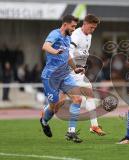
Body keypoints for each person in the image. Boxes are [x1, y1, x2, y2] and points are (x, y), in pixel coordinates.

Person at [39, 15, 84, 143]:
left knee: (78, 98)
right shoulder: (55, 33)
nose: (74, 29)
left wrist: (75, 68)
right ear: (65, 25)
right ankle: (44, 120)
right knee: (55, 107)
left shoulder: (68, 37)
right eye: (73, 26)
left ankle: (71, 132)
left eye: (75, 26)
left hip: (65, 75)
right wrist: (55, 51)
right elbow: (45, 46)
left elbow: (67, 55)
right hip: (51, 77)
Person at [60, 14, 106, 136]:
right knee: (58, 102)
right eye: (91, 27)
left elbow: (83, 53)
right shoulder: (76, 35)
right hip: (69, 72)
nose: (93, 30)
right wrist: (75, 66)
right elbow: (68, 52)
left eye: (94, 28)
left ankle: (94, 126)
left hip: (78, 73)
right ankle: (45, 115)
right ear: (84, 24)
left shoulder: (89, 36)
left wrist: (82, 66)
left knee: (89, 93)